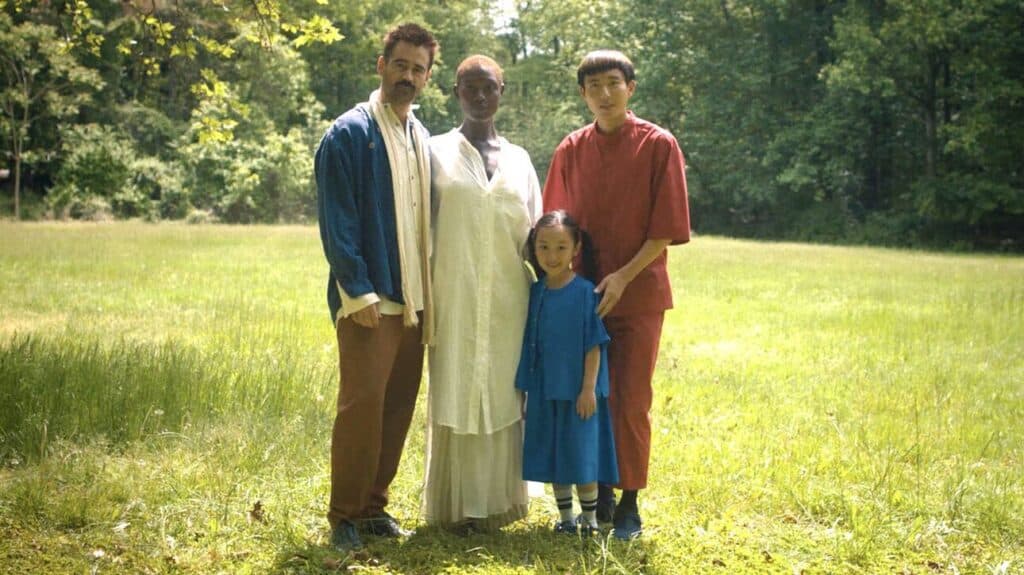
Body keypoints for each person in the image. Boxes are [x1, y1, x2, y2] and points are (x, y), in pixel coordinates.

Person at [542, 50, 691, 540]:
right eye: (594, 87)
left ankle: (629, 503)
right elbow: (554, 225)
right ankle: (597, 493)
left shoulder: (658, 144)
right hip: (583, 297)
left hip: (638, 293)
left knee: (629, 400)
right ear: (583, 94)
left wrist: (624, 276)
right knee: (589, 397)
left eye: (613, 83)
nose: (604, 94)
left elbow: (665, 229)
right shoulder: (571, 149)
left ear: (631, 88)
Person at [314, 23, 438, 553]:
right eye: (400, 64)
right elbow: (337, 220)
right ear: (381, 65)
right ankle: (344, 515)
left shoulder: (420, 136)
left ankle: (372, 508)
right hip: (370, 299)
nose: (408, 75)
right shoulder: (348, 133)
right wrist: (358, 291)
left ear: (427, 77)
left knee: (397, 406)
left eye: (418, 69)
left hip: (412, 298)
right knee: (361, 407)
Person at [423, 55, 540, 532]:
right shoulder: (433, 152)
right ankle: (455, 507)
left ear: (501, 92)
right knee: (456, 388)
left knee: (502, 391)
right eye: (469, 87)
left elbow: (536, 233)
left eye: (488, 87)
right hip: (452, 294)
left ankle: (500, 503)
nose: (479, 96)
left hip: (510, 300)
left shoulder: (520, 160)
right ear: (455, 93)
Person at [515, 210, 618, 536]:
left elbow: (594, 345)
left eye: (561, 247)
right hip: (546, 388)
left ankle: (589, 520)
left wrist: (588, 389)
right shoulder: (535, 292)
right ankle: (566, 518)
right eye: (543, 247)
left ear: (576, 249)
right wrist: (527, 388)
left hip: (578, 391)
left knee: (581, 453)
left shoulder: (586, 293)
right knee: (555, 453)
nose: (552, 256)